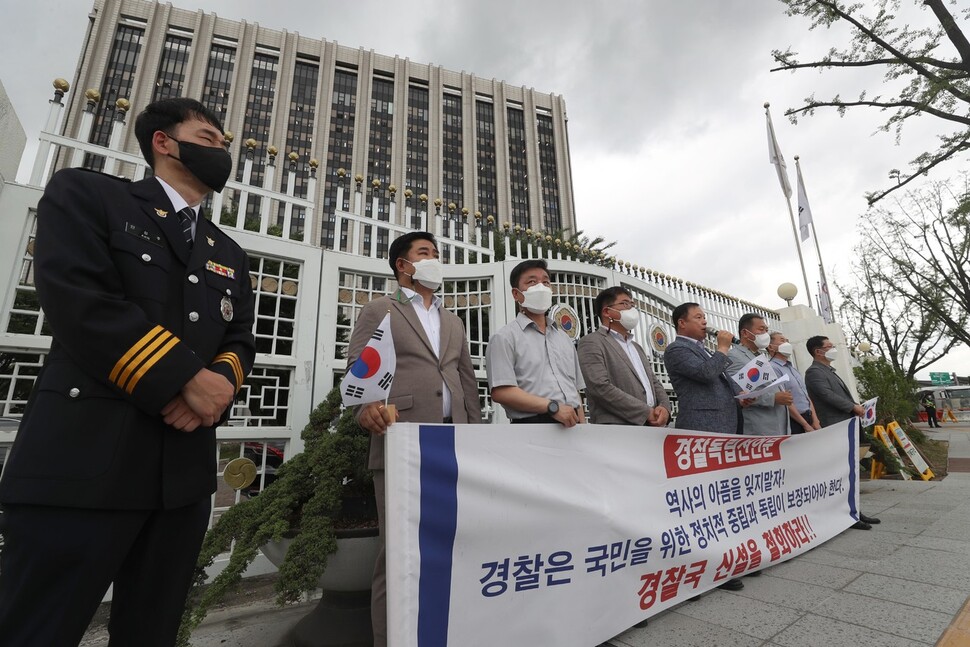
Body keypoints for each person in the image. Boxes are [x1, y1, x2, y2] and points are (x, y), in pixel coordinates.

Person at [0, 98, 256, 645]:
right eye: (208, 138)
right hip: (84, 461)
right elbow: (79, 299)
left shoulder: (226, 251)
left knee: (153, 632)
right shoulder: (90, 194)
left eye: (224, 144)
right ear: (164, 142)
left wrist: (219, 387)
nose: (222, 152)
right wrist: (186, 378)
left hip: (182, 479)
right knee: (36, 628)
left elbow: (237, 340)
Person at [346, 231, 482, 647]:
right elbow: (359, 365)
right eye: (425, 253)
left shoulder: (453, 320)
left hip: (452, 444)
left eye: (437, 254)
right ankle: (390, 639)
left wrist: (475, 436)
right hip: (401, 438)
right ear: (403, 265)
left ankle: (445, 631)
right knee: (399, 550)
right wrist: (363, 408)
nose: (434, 260)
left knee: (452, 541)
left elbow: (465, 380)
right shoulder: (380, 309)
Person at [662, 302, 744, 591]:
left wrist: (742, 394)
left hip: (723, 427)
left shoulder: (703, 349)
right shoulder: (677, 350)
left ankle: (726, 560)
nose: (704, 322)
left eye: (704, 317)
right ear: (681, 324)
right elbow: (707, 374)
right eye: (698, 317)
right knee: (705, 502)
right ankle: (709, 566)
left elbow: (719, 381)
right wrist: (723, 348)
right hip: (702, 429)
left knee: (720, 497)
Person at [486, 259, 585, 426]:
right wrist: (552, 407)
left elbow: (574, 389)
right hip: (532, 426)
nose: (541, 286)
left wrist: (582, 424)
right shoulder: (504, 338)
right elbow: (501, 391)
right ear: (516, 294)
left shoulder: (564, 339)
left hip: (572, 424)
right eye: (532, 281)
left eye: (546, 282)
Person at [804, 335, 881, 530]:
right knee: (841, 471)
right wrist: (852, 407)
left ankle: (854, 510)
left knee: (850, 470)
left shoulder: (829, 370)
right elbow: (825, 394)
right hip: (835, 426)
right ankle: (846, 514)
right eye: (829, 346)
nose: (833, 349)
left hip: (846, 424)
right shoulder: (814, 372)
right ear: (818, 351)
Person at [578, 286, 670, 426]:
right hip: (617, 428)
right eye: (625, 304)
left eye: (632, 305)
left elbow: (654, 382)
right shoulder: (592, 342)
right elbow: (599, 387)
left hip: (651, 427)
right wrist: (645, 412)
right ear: (607, 311)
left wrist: (664, 408)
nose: (631, 309)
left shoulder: (636, 347)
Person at [727, 314, 793, 436]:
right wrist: (773, 398)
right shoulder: (735, 356)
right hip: (760, 428)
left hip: (778, 425)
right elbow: (741, 394)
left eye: (766, 330)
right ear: (745, 333)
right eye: (761, 330)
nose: (765, 334)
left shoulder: (758, 356)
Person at [767, 332, 820, 434]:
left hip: (808, 417)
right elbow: (785, 400)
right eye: (782, 341)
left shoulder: (792, 368)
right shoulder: (772, 368)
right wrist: (805, 425)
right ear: (771, 347)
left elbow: (805, 395)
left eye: (787, 341)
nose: (787, 343)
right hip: (795, 421)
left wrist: (815, 419)